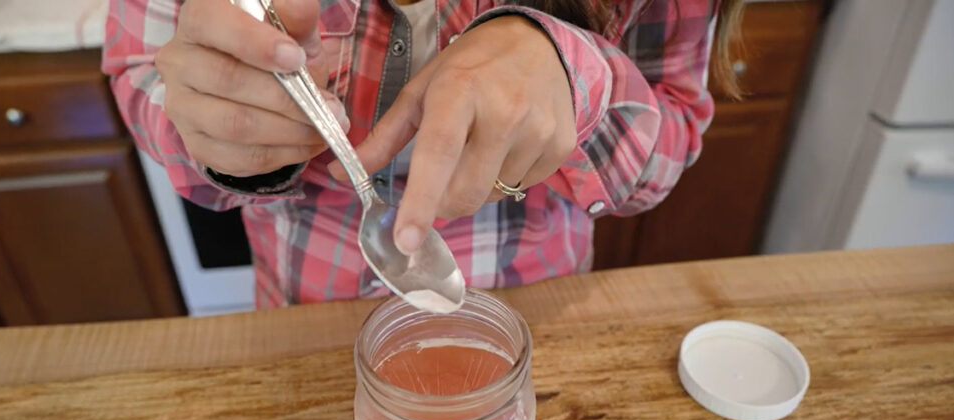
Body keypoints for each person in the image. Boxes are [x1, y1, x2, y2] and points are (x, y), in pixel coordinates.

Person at [103, 0, 743, 307]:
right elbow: (142, 71)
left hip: (537, 329)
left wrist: (577, 75)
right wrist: (231, 133)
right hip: (300, 330)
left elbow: (670, 143)